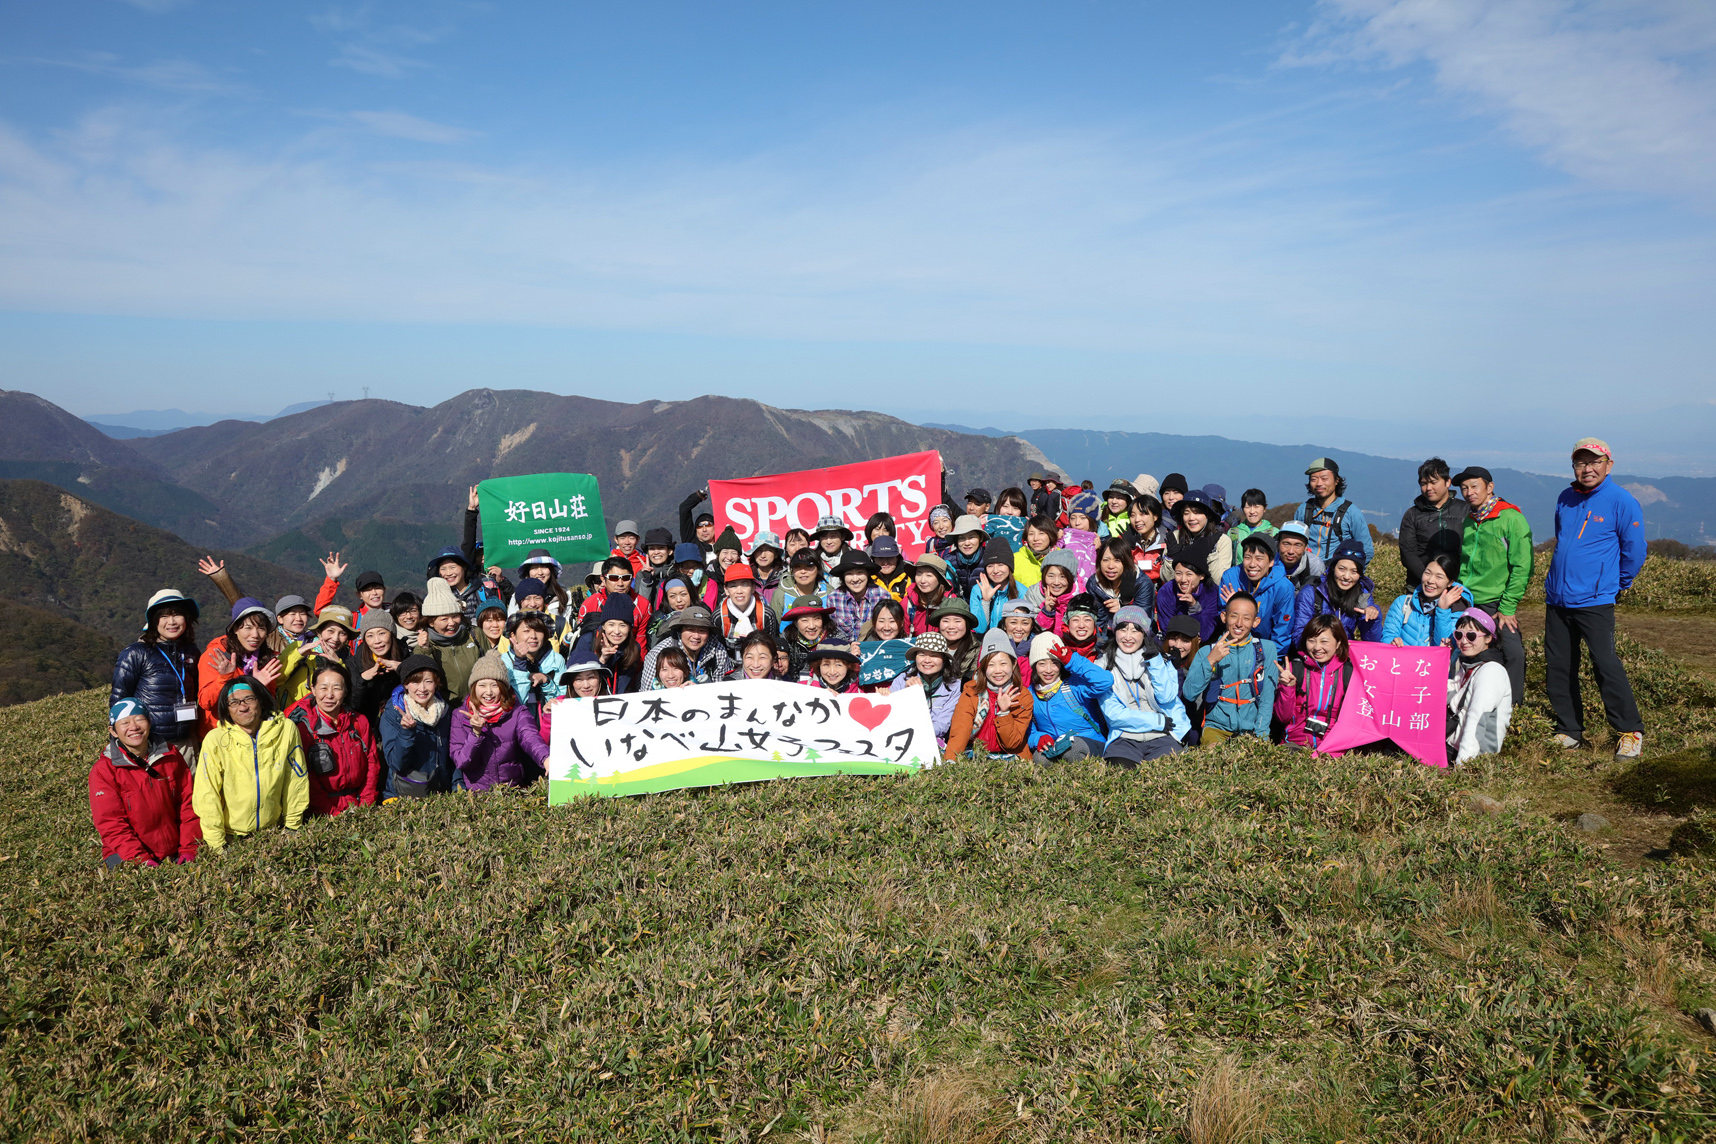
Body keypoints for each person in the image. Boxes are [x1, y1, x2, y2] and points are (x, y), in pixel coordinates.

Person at [1544, 437, 1648, 758]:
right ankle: (1569, 730)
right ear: (1573, 466)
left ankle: (1630, 731)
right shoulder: (1566, 497)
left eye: (1594, 462)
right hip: (1558, 598)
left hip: (1595, 600)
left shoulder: (1622, 500)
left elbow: (1635, 550)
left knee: (1605, 664)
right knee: (1560, 666)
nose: (1587, 469)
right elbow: (1563, 538)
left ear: (1608, 465)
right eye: (1580, 463)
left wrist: (1617, 584)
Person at [194, 677, 309, 850]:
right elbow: (207, 796)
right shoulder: (215, 739)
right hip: (232, 838)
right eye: (233, 702)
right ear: (227, 709)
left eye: (249, 699)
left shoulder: (286, 729)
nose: (242, 706)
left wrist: (292, 826)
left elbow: (295, 780)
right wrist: (218, 845)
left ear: (261, 701)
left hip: (275, 833)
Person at [1454, 465, 1533, 708]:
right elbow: (1465, 562)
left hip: (1496, 603)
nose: (1469, 492)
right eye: (1464, 488)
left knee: (1512, 653)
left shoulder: (1511, 518)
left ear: (1490, 487)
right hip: (1467, 599)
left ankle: (1512, 708)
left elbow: (1523, 566)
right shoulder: (1470, 519)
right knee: (1458, 649)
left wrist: (1507, 606)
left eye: (1474, 486)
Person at [89, 699, 199, 868]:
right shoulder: (104, 770)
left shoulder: (170, 755)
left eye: (139, 719)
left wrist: (189, 848)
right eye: (124, 722)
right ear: (113, 731)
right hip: (125, 855)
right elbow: (111, 824)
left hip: (175, 851)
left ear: (149, 722)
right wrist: (140, 860)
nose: (133, 727)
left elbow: (188, 804)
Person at [111, 588, 202, 758]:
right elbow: (119, 701)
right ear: (153, 621)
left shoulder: (191, 652)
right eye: (164, 616)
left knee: (187, 784)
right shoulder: (136, 653)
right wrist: (120, 750)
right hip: (151, 743)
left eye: (177, 615)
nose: (172, 622)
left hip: (186, 742)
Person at [1096, 605, 1189, 766]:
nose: (1128, 636)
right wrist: (1156, 720)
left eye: (1135, 630)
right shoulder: (1102, 667)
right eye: (1123, 629)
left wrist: (1156, 663)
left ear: (1144, 633)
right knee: (1122, 778)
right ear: (1114, 631)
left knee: (1167, 776)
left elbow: (1167, 697)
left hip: (1164, 735)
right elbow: (1113, 714)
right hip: (1125, 737)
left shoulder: (1161, 660)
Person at [1183, 592, 1279, 745]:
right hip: (1215, 728)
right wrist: (1210, 661)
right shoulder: (1207, 651)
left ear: (1256, 622)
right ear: (1224, 617)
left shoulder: (1267, 649)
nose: (1239, 623)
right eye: (1234, 616)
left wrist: (1261, 738)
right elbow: (1189, 693)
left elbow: (1267, 698)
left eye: (1247, 618)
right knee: (1215, 762)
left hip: (1252, 730)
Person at [285, 664, 381, 815]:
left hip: (360, 805)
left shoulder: (359, 722)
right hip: (322, 813)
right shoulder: (304, 729)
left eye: (337, 688)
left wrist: (365, 806)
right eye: (323, 688)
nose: (329, 695)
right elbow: (306, 777)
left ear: (345, 691)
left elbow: (372, 764)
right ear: (313, 690)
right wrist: (332, 814)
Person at [197, 599, 297, 736]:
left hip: (256, 734)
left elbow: (270, 704)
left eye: (261, 628)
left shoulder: (266, 659)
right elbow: (205, 702)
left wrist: (260, 687)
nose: (255, 635)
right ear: (235, 629)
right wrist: (224, 678)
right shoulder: (217, 656)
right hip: (221, 735)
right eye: (248, 628)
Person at [451, 652, 551, 790]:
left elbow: (531, 737)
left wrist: (546, 757)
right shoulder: (460, 715)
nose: (489, 692)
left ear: (503, 687)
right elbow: (461, 761)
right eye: (482, 685)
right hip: (477, 796)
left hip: (512, 792)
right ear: (473, 688)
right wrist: (475, 734)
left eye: (494, 685)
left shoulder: (517, 712)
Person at [1026, 633, 1112, 761]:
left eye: (1054, 663)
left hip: (1088, 742)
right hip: (1056, 746)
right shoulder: (1030, 695)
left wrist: (1072, 661)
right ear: (1034, 666)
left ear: (1061, 664)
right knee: (1040, 758)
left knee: (1073, 749)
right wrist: (1038, 738)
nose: (1049, 670)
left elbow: (1105, 681)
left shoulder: (1074, 685)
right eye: (1042, 664)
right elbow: (1028, 731)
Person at [379, 655, 455, 799]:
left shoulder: (445, 711)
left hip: (440, 795)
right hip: (404, 794)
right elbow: (397, 764)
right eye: (415, 682)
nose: (422, 688)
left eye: (428, 681)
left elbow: (452, 759)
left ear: (436, 683)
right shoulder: (393, 713)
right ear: (405, 684)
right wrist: (406, 732)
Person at [1274, 614, 1353, 750]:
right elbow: (1282, 717)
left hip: (1334, 747)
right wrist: (1287, 688)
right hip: (1295, 744)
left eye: (1324, 641)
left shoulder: (1348, 673)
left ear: (1338, 642)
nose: (1317, 648)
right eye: (1311, 640)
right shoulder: (1295, 669)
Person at [945, 640, 1034, 758]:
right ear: (983, 668)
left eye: (1003, 663)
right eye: (991, 665)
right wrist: (951, 759)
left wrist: (1004, 713)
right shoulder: (971, 692)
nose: (998, 670)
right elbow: (960, 730)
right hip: (975, 754)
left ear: (1013, 665)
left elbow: (1012, 743)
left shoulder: (1022, 696)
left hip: (1010, 756)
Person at [1447, 609, 1514, 765]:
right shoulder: (1469, 665)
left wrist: (1463, 767)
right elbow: (1444, 694)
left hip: (1475, 756)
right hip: (1452, 743)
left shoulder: (1491, 671)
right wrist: (1444, 658)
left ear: (1489, 638)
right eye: (1459, 635)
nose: (1464, 641)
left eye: (1471, 636)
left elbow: (1476, 721)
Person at [1291, 540, 1383, 646]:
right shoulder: (1311, 592)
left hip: (1344, 656)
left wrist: (1372, 619)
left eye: (1354, 571)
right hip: (1315, 654)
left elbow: (1372, 643)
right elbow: (1298, 636)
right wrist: (1326, 647)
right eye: (1342, 569)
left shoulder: (1363, 595)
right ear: (1333, 567)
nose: (1347, 576)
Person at [1398, 458, 1465, 588]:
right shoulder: (1412, 515)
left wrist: (1453, 581)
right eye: (1423, 483)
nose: (1428, 488)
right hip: (1420, 585)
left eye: (1433, 482)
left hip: (1459, 585)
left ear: (1448, 482)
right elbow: (1408, 554)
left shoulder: (1465, 510)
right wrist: (1430, 579)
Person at [1218, 533, 1294, 646]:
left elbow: (1282, 630)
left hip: (1266, 646)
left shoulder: (1283, 587)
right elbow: (1223, 615)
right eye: (1247, 557)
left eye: (1259, 558)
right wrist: (1233, 605)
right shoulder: (1230, 577)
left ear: (1271, 562)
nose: (1252, 564)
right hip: (1233, 643)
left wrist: (1272, 658)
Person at [887, 632, 962, 746]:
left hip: (933, 742)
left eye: (934, 655)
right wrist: (907, 694)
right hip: (899, 739)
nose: (927, 660)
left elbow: (942, 725)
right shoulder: (901, 680)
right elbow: (892, 718)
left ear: (944, 659)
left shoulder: (955, 686)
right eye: (922, 654)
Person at [1293, 458, 1372, 566]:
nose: (1319, 483)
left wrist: (1350, 573)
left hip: (1335, 576)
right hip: (1306, 573)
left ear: (1336, 480)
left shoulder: (1351, 512)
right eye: (1313, 479)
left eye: (1324, 478)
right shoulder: (1304, 510)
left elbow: (1366, 550)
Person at [418, 577, 485, 702]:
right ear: (431, 622)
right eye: (444, 619)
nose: (452, 623)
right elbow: (425, 680)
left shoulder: (474, 635)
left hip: (480, 704)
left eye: (455, 616)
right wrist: (425, 650)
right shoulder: (424, 646)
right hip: (447, 709)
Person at [1381, 554, 1471, 647]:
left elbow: (1444, 648)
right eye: (1427, 573)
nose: (1430, 580)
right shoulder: (1403, 602)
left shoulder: (1458, 610)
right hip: (1401, 660)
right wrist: (1392, 642)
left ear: (1450, 583)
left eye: (1439, 577)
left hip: (1431, 661)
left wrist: (1443, 610)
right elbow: (1388, 635)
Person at [566, 594, 643, 694]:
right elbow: (580, 681)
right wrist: (602, 660)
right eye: (611, 624)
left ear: (629, 628)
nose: (616, 631)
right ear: (603, 625)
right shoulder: (588, 641)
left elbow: (621, 688)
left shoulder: (633, 649)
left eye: (623, 625)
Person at [639, 605, 731, 687]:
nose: (696, 636)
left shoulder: (717, 650)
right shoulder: (657, 654)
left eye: (702, 631)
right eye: (690, 629)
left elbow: (722, 688)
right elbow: (646, 693)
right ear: (680, 630)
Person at [576, 557, 653, 650]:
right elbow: (581, 641)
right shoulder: (589, 604)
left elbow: (641, 643)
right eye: (614, 578)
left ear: (632, 579)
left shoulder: (643, 605)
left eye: (626, 578)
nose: (620, 583)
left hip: (629, 659)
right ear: (603, 579)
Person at [1087, 537, 1152, 638]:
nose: (1111, 566)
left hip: (1135, 637)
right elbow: (1099, 620)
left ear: (1126, 561)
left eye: (1117, 560)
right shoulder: (1094, 584)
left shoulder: (1142, 583)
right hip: (1108, 635)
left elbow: (1144, 621)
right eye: (1106, 560)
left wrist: (1123, 608)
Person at [425, 543, 503, 625]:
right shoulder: (436, 597)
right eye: (443, 569)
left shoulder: (482, 593)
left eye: (452, 567)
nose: (448, 573)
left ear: (464, 567)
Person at [1169, 489, 1231, 586]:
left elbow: (1220, 581)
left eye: (1197, 512)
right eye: (1186, 513)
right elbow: (1166, 578)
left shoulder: (1221, 540)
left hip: (1209, 597)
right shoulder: (1175, 537)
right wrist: (1171, 558)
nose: (1191, 518)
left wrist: (1211, 554)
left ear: (1208, 515)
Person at [505, 613, 566, 711]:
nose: (533, 636)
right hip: (519, 724)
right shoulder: (504, 662)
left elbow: (563, 700)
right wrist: (520, 662)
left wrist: (546, 681)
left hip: (548, 721)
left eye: (538, 631)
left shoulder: (556, 660)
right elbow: (515, 703)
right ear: (513, 635)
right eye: (526, 631)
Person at [827, 552, 891, 644]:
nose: (855, 579)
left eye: (860, 573)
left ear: (868, 573)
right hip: (845, 652)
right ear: (843, 576)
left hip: (875, 650)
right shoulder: (834, 598)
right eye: (849, 574)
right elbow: (832, 632)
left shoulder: (882, 596)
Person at [713, 564, 778, 655]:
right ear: (726, 590)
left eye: (744, 585)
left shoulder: (766, 614)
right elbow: (717, 650)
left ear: (753, 588)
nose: (739, 591)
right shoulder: (719, 616)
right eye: (733, 586)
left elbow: (772, 647)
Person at [1156, 561, 1221, 642]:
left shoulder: (1212, 592)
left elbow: (1204, 635)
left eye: (1189, 574)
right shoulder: (1166, 592)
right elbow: (1167, 629)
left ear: (1201, 576)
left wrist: (1193, 606)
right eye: (1178, 573)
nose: (1183, 580)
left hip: (1206, 644)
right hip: (1175, 643)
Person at [969, 536, 1023, 633]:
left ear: (1009, 566)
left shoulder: (1022, 591)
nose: (995, 571)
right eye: (990, 566)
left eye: (1001, 565)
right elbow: (979, 629)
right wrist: (985, 601)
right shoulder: (977, 590)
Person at [1024, 550, 1081, 635]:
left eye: (1063, 577)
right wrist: (1046, 611)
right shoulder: (1034, 593)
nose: (1056, 582)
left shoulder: (1080, 596)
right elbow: (1031, 629)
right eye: (1051, 576)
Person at [1119, 494, 1170, 585]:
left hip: (1159, 595)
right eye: (1132, 515)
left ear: (1155, 516)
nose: (1137, 519)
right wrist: (1125, 549)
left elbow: (1171, 578)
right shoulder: (1124, 540)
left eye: (1143, 514)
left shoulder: (1167, 542)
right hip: (1132, 594)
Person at [779, 597, 834, 682]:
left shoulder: (835, 637)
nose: (811, 626)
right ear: (795, 623)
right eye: (804, 620)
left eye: (816, 619)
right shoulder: (787, 637)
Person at [929, 597, 981, 680]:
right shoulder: (928, 645)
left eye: (957, 621)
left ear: (967, 624)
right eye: (946, 621)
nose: (951, 626)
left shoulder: (978, 651)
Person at [510, 550, 571, 616]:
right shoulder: (517, 595)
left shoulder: (564, 593)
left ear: (551, 570)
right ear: (528, 572)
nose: (540, 573)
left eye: (544, 567)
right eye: (534, 568)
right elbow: (512, 622)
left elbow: (567, 621)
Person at [904, 554, 955, 634]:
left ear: (940, 579)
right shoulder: (908, 602)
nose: (923, 580)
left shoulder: (952, 602)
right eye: (919, 574)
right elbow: (903, 635)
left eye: (929, 575)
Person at [1225, 489, 1276, 565]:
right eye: (1247, 507)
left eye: (1256, 507)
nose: (1252, 511)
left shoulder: (1274, 533)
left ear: (1265, 508)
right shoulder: (1233, 533)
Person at [770, 549, 825, 615]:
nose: (803, 571)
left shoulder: (828, 591)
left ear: (818, 569)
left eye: (809, 566)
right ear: (792, 570)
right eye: (797, 567)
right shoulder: (780, 595)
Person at [1273, 521, 1324, 592]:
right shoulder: (1268, 559)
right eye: (1286, 544)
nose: (1291, 551)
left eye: (1298, 545)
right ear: (1278, 543)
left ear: (1306, 547)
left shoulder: (1314, 565)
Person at [1012, 515, 1059, 589]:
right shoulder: (1014, 559)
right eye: (1031, 534)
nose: (1036, 538)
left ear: (1050, 535)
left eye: (1041, 533)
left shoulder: (1063, 558)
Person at [945, 516, 988, 595]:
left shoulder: (989, 557)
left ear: (981, 538)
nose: (967, 543)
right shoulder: (948, 561)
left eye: (971, 537)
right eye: (962, 538)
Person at [638, 527, 678, 604]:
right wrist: (647, 581)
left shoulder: (677, 573)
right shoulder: (641, 575)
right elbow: (640, 605)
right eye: (652, 548)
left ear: (670, 551)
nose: (656, 552)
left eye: (661, 548)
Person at [811, 515, 855, 580]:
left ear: (842, 537)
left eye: (833, 536)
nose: (829, 541)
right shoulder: (813, 560)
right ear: (819, 539)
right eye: (824, 536)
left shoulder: (855, 559)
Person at [868, 535, 911, 600]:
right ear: (873, 560)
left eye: (889, 558)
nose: (885, 563)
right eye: (880, 558)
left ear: (897, 558)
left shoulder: (909, 576)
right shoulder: (867, 577)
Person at [749, 531, 785, 595]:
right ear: (754, 553)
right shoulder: (746, 576)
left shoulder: (785, 578)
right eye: (759, 550)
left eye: (768, 550)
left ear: (776, 554)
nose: (763, 556)